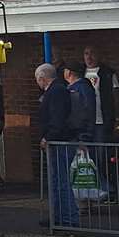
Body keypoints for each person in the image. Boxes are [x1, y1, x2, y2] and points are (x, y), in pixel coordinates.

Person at [35, 64, 77, 228]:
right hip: (59, 141)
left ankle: (68, 218)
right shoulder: (58, 90)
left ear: (42, 78)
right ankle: (59, 217)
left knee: (61, 181)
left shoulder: (56, 91)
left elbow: (57, 117)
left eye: (37, 79)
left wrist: (48, 137)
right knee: (56, 181)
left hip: (59, 142)